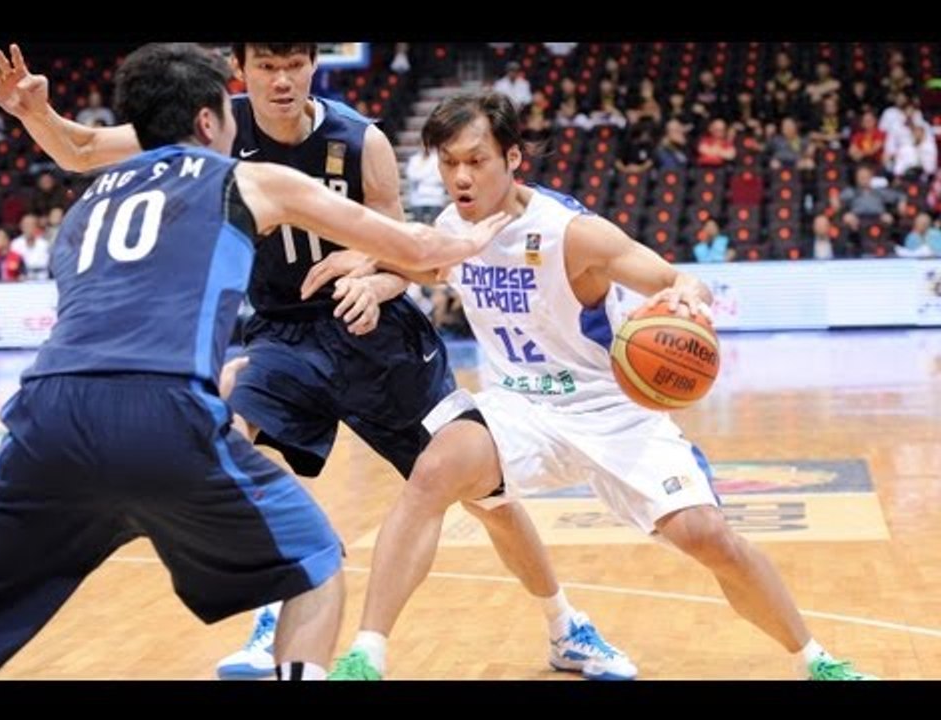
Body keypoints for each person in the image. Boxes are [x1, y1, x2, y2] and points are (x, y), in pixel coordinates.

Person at [0, 42, 632, 682]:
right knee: (230, 429)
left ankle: (563, 623)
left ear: (313, 66)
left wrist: (375, 278)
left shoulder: (361, 141)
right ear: (241, 75)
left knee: (488, 496)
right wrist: (35, 114)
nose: (282, 79)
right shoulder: (208, 133)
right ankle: (276, 610)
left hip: (379, 340)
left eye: (294, 64)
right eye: (267, 65)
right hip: (284, 335)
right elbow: (84, 149)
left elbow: (404, 259)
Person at [310, 91, 878, 681]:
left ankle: (817, 660)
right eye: (449, 162)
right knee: (436, 471)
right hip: (517, 408)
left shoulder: (571, 235)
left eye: (476, 161)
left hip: (612, 412)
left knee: (709, 538)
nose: (461, 176)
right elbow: (424, 266)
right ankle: (366, 656)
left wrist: (687, 297)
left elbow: (677, 278)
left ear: (513, 159)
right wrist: (376, 279)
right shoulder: (452, 225)